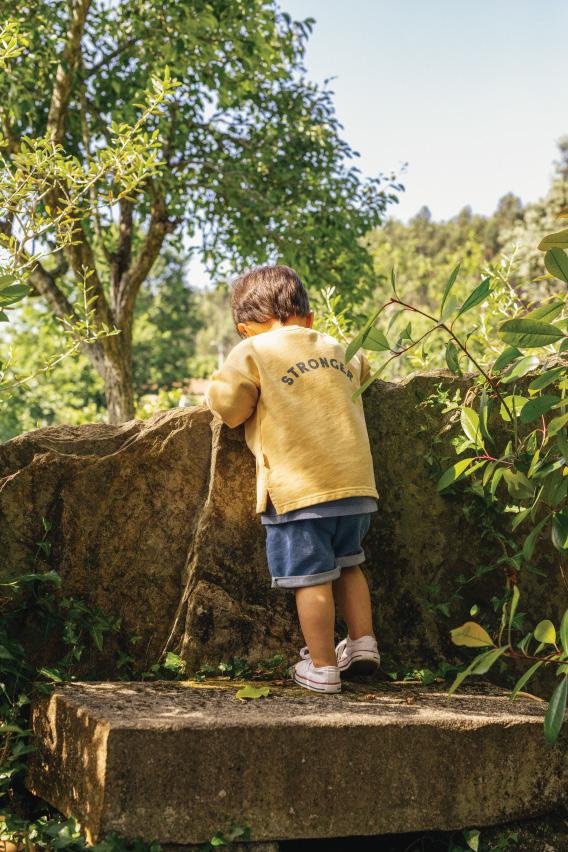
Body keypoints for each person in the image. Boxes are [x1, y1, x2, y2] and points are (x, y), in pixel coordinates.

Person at [205, 265, 380, 694]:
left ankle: (322, 667)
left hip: (299, 493)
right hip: (356, 486)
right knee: (350, 564)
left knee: (311, 578)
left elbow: (230, 408)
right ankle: (363, 643)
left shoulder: (252, 351)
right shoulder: (340, 348)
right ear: (310, 317)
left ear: (245, 328)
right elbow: (366, 373)